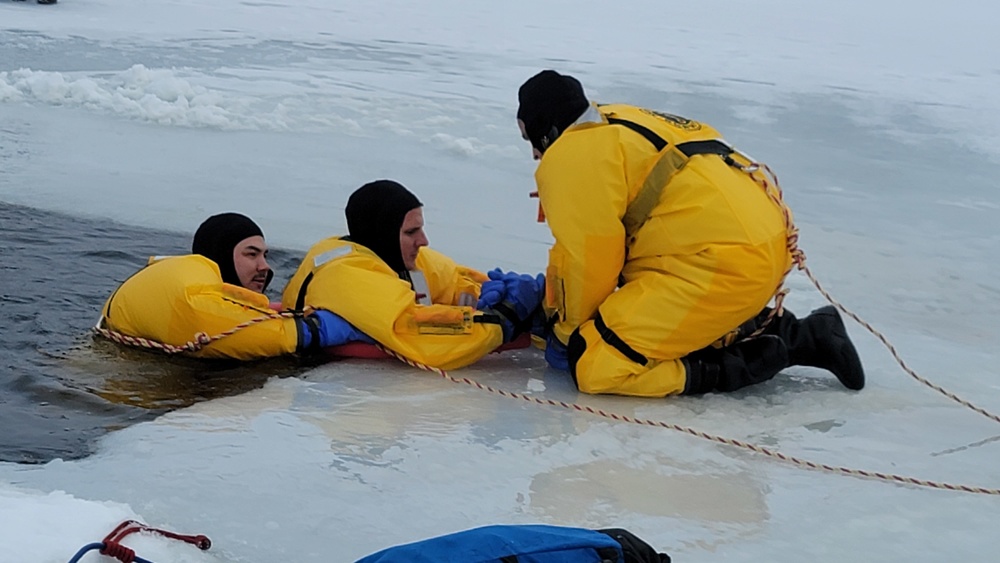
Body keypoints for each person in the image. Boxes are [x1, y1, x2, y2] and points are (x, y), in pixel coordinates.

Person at [510, 69, 864, 397]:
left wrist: (566, 331)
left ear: (548, 129)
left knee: (595, 361)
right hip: (758, 247)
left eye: (531, 138)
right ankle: (803, 334)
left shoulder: (570, 157)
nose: (534, 153)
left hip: (716, 264)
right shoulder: (617, 122)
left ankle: (765, 357)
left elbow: (591, 259)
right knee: (644, 319)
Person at [281, 180, 542, 370]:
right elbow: (419, 333)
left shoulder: (397, 256)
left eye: (421, 229)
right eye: (411, 232)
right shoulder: (347, 275)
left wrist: (494, 294)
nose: (424, 241)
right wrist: (504, 317)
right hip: (324, 376)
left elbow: (454, 281)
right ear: (381, 233)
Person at [99, 212, 367, 360]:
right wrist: (337, 326)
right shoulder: (195, 297)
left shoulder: (190, 283)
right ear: (221, 255)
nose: (265, 267)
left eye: (265, 255)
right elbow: (277, 335)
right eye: (251, 255)